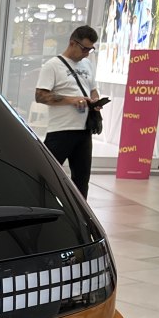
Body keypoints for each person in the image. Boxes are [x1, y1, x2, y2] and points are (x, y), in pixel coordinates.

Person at [35, 25, 101, 199]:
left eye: (91, 49)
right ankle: (44, 209)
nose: (87, 53)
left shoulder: (87, 64)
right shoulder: (53, 66)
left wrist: (95, 101)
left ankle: (81, 220)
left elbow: (93, 89)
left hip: (84, 130)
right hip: (61, 131)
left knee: (81, 180)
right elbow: (40, 96)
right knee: (48, 177)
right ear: (73, 43)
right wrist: (72, 100)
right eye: (85, 48)